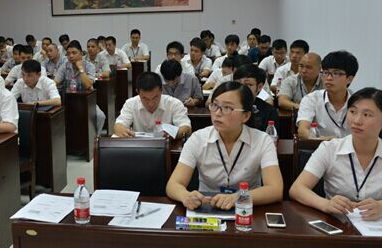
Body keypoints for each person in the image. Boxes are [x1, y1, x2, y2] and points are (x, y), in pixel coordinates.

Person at [290, 88, 382, 220]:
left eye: (367, 115)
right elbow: (297, 189)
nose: (356, 121)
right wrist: (325, 204)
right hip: (336, 222)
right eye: (352, 112)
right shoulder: (329, 148)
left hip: (379, 225)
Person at [166, 81, 284, 210]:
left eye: (227, 108)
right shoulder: (198, 139)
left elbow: (275, 189)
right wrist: (185, 196)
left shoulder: (262, 141)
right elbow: (173, 184)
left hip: (246, 210)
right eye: (214, 105)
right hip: (207, 207)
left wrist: (238, 197)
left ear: (245, 116)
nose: (217, 113)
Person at [297, 50, 363, 140]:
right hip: (320, 147)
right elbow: (303, 130)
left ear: (349, 79)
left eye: (336, 73)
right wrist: (320, 140)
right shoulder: (311, 99)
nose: (328, 78)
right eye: (325, 72)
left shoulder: (359, 102)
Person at [114, 72, 191, 139]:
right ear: (138, 92)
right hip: (138, 146)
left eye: (155, 97)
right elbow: (118, 126)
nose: (150, 103)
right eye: (145, 98)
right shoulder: (131, 103)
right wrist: (124, 132)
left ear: (161, 90)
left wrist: (172, 134)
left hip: (166, 146)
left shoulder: (174, 104)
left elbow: (186, 128)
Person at [54, 40, 106, 133]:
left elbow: (88, 85)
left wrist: (81, 68)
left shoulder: (89, 66)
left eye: (74, 53)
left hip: (86, 101)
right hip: (69, 101)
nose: (71, 56)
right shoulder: (64, 66)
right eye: (68, 54)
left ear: (81, 54)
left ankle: (95, 137)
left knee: (100, 116)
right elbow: (55, 82)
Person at [233, 65, 279, 132]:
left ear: (259, 86)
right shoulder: (225, 107)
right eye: (237, 84)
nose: (241, 88)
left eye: (248, 84)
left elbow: (272, 136)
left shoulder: (269, 111)